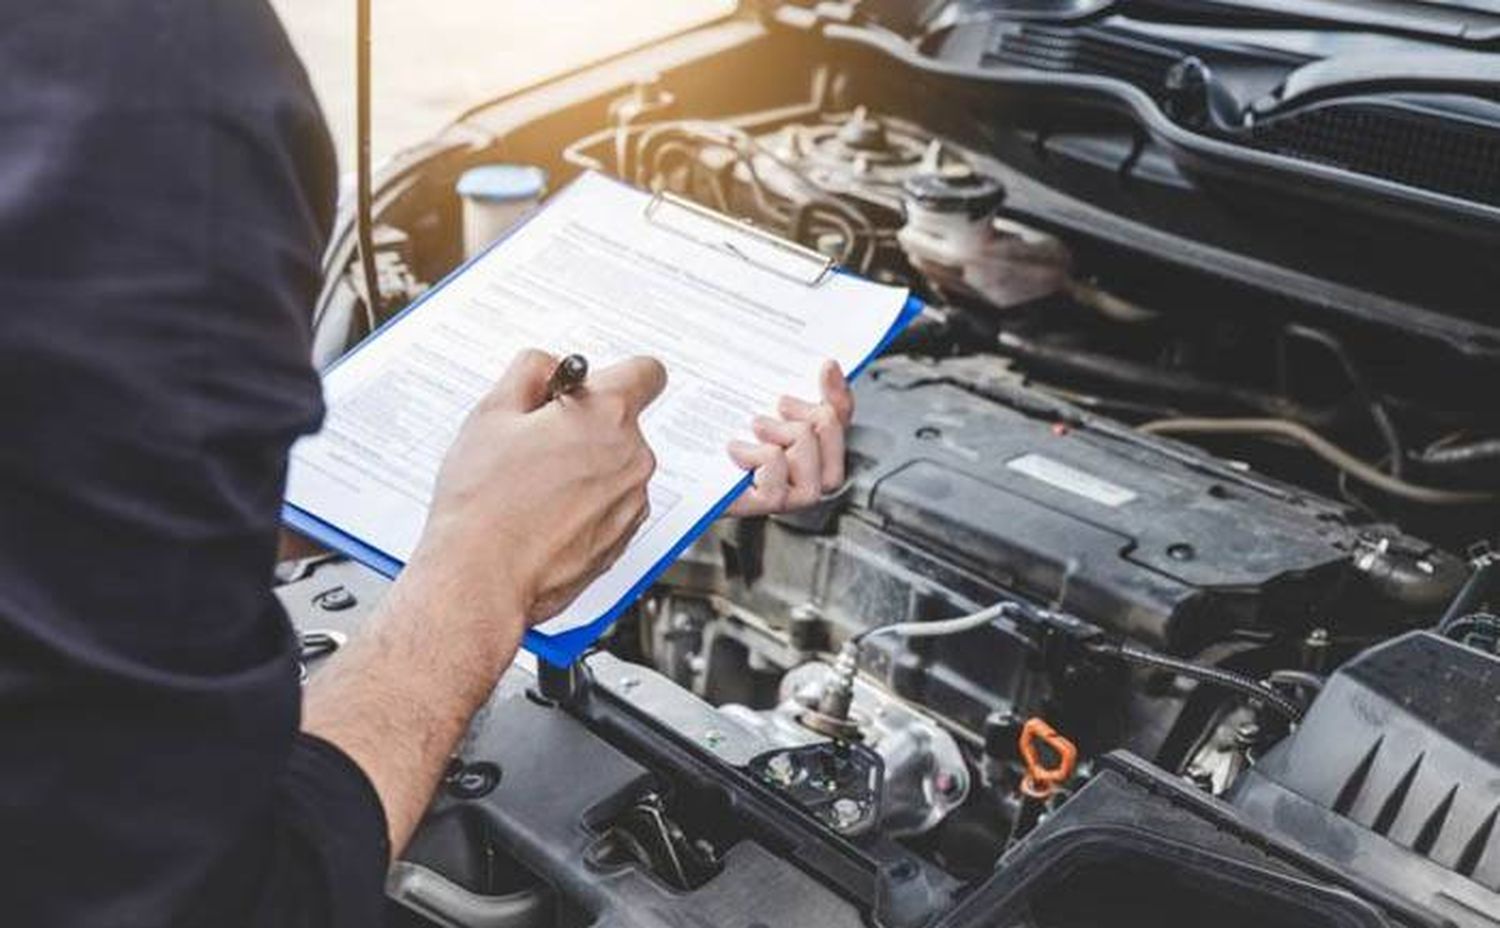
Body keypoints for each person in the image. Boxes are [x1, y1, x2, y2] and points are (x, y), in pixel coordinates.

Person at [0, 2, 854, 926]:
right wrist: (485, 560)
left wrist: (592, 487)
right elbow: (193, 899)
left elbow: (63, 502)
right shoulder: (139, 78)